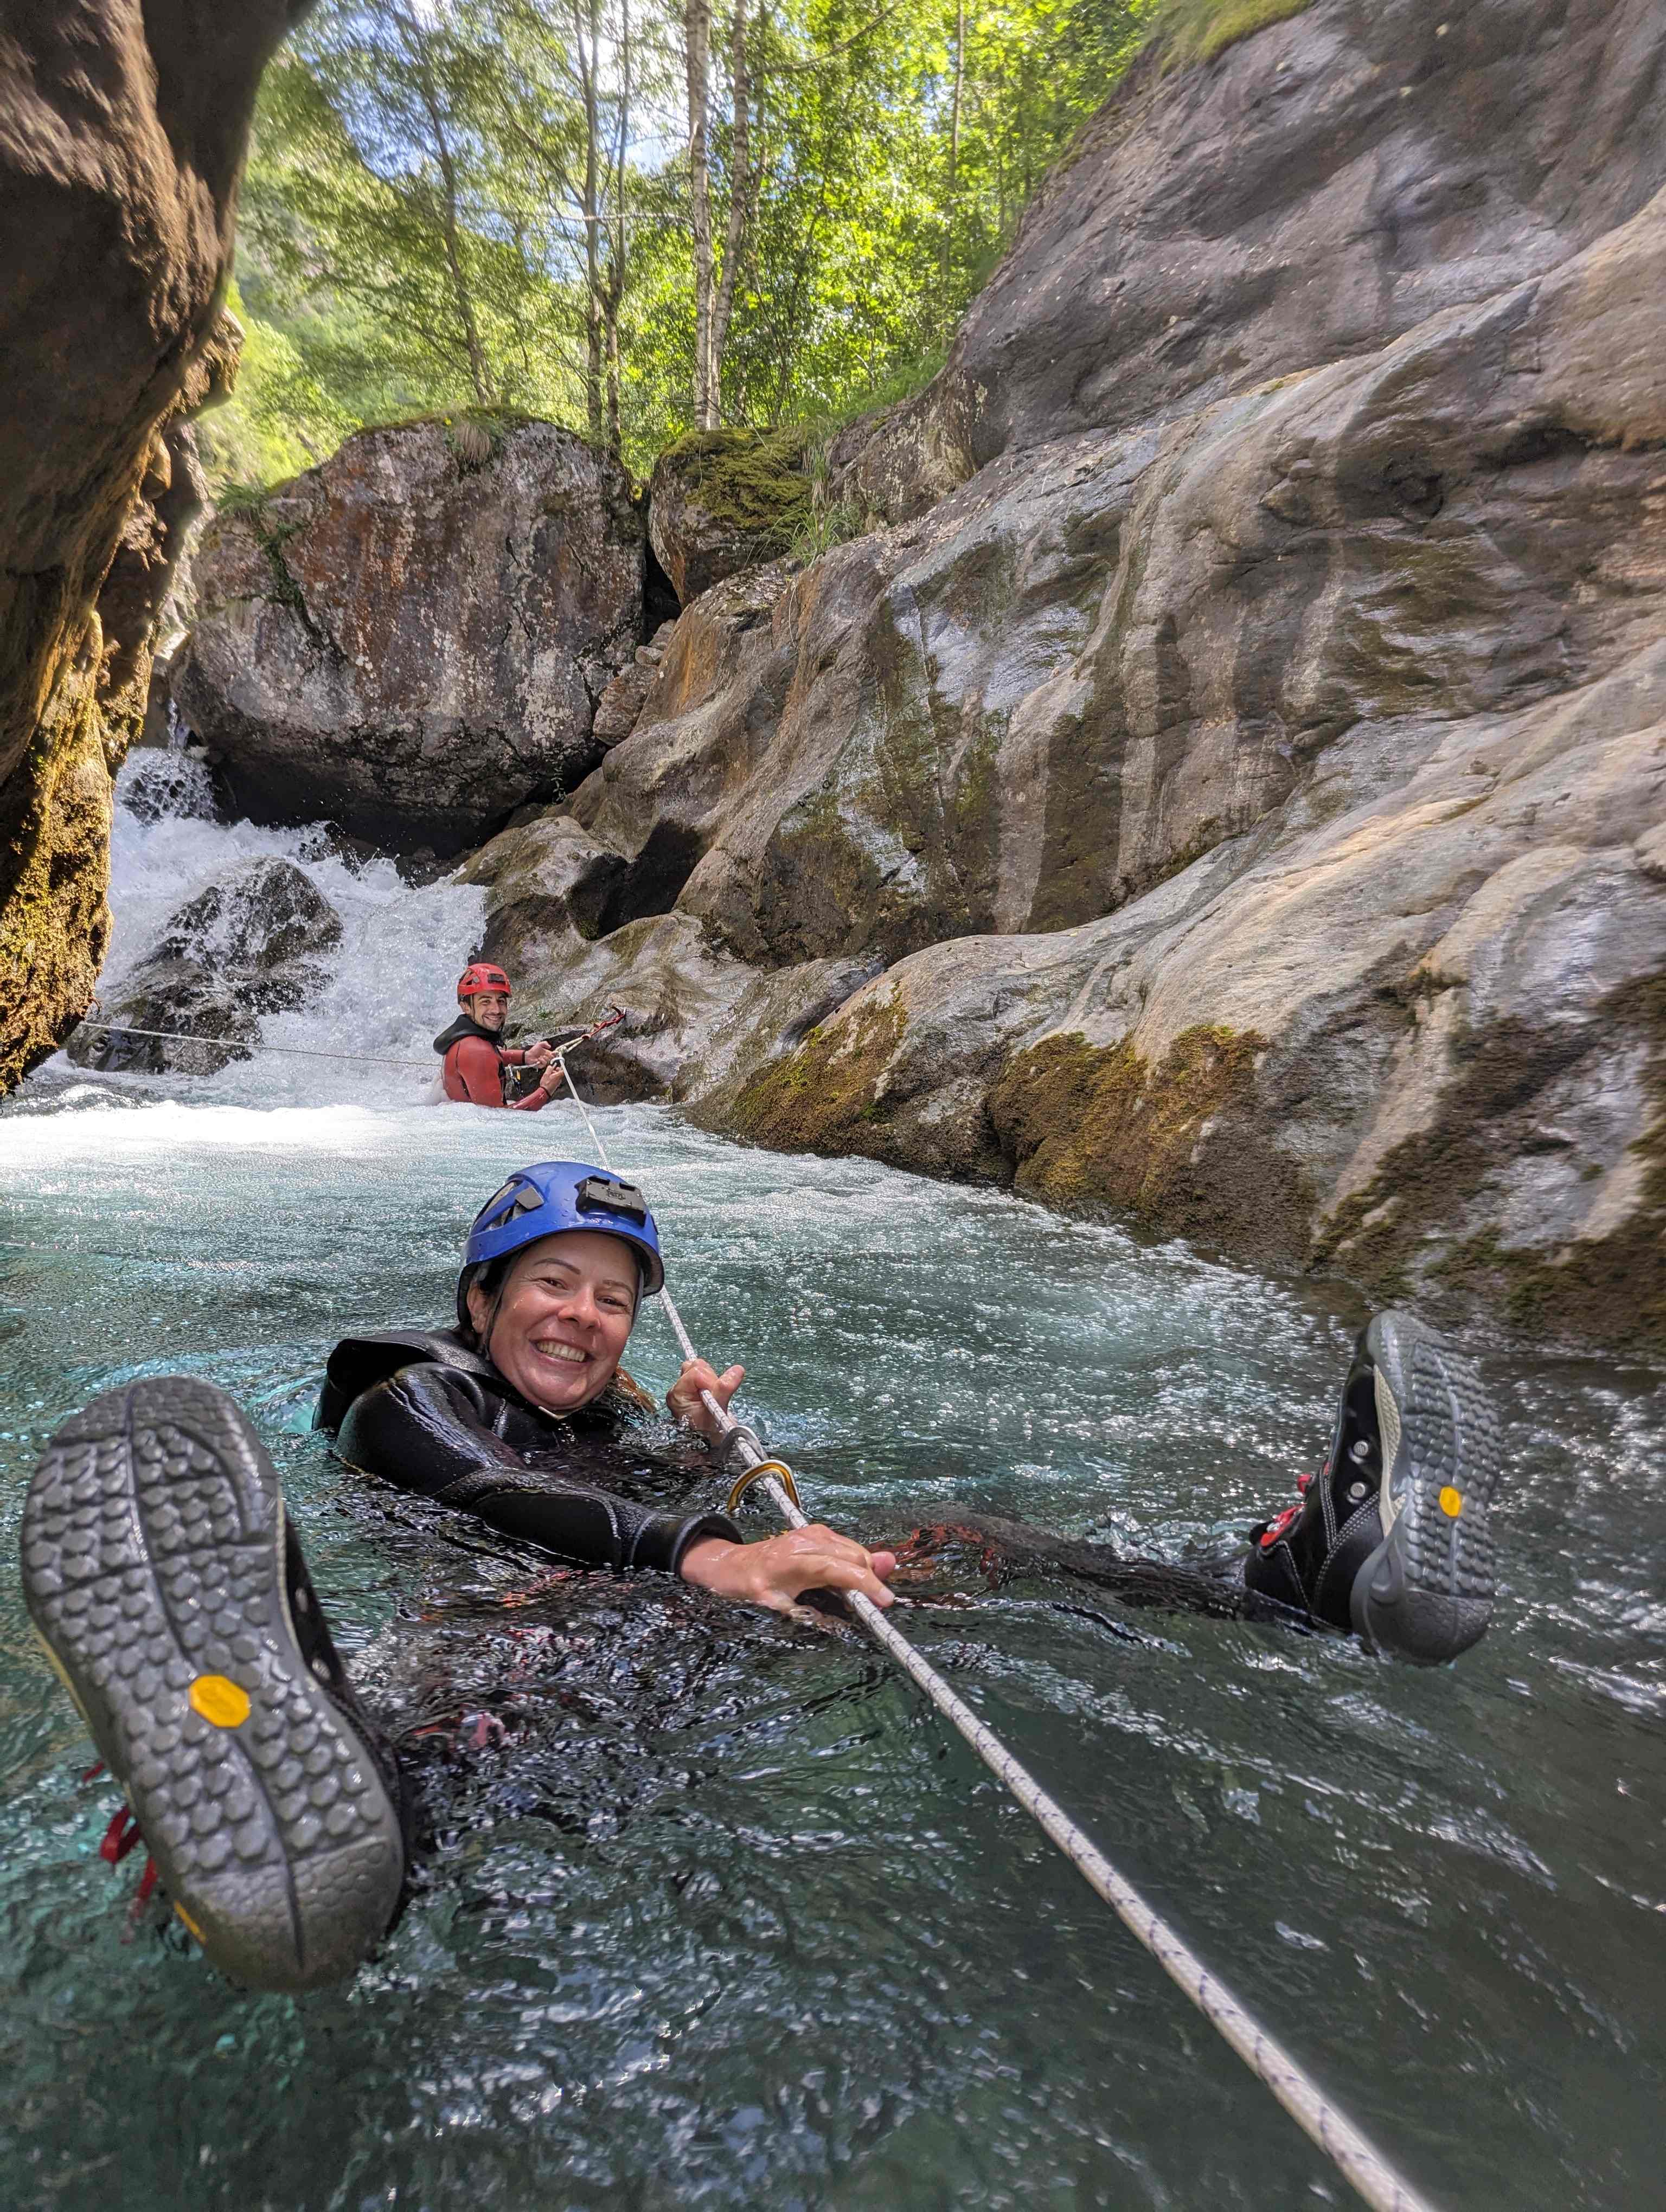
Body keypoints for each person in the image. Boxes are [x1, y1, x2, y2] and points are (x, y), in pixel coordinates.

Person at [19, 1159, 1501, 1995]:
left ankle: (1290, 1584)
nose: (584, 1318)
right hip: (494, 1641)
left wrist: (697, 1459)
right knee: (525, 1654)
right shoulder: (405, 1393)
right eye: (552, 1284)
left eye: (612, 1302)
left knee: (940, 1546)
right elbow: (482, 1494)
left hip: (657, 1633)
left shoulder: (611, 1436)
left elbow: (641, 1519)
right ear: (480, 1301)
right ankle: (331, 1796)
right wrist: (708, 1542)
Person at [435, 961, 571, 1110]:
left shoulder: (466, 1041)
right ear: (466, 1006)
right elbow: (500, 1119)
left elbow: (492, 1056)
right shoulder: (477, 1052)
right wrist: (545, 1090)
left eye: (501, 1001)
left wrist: (525, 1056)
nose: (496, 1010)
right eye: (485, 1002)